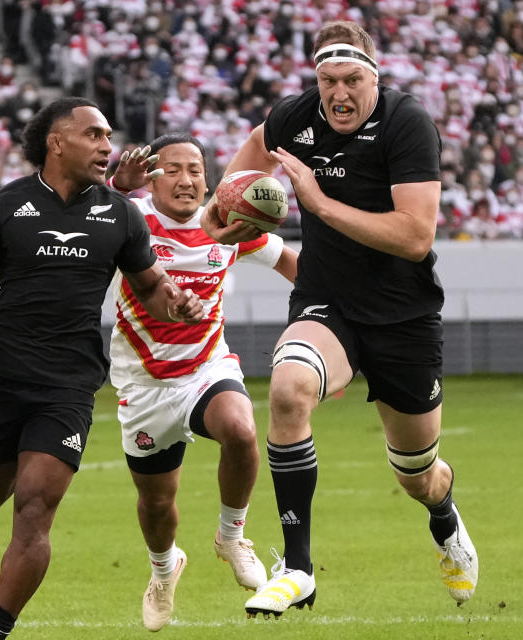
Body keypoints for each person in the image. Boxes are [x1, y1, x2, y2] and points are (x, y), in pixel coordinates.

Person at [201, 21, 479, 618]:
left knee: (417, 473)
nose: (339, 93)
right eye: (328, 80)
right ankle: (298, 569)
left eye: (352, 79)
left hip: (403, 315)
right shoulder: (294, 118)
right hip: (327, 301)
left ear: (374, 77)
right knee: (287, 388)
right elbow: (235, 182)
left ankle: (444, 513)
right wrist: (220, 217)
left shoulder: (407, 124)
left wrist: (318, 202)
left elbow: (413, 236)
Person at [0, 97, 204, 640]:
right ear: (57, 142)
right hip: (2, 379)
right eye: (95, 135)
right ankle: (22, 455)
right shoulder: (5, 206)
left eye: (109, 136)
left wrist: (175, 301)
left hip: (68, 385)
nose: (108, 145)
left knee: (36, 507)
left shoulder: (119, 212)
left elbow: (151, 286)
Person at [106, 134, 299, 631]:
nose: (186, 179)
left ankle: (231, 537)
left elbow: (296, 266)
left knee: (240, 428)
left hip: (205, 367)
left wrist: (337, 311)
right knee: (157, 503)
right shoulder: (130, 220)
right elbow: (80, 215)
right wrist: (113, 188)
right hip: (143, 383)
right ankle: (164, 569)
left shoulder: (230, 224)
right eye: (172, 168)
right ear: (152, 177)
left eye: (195, 169)